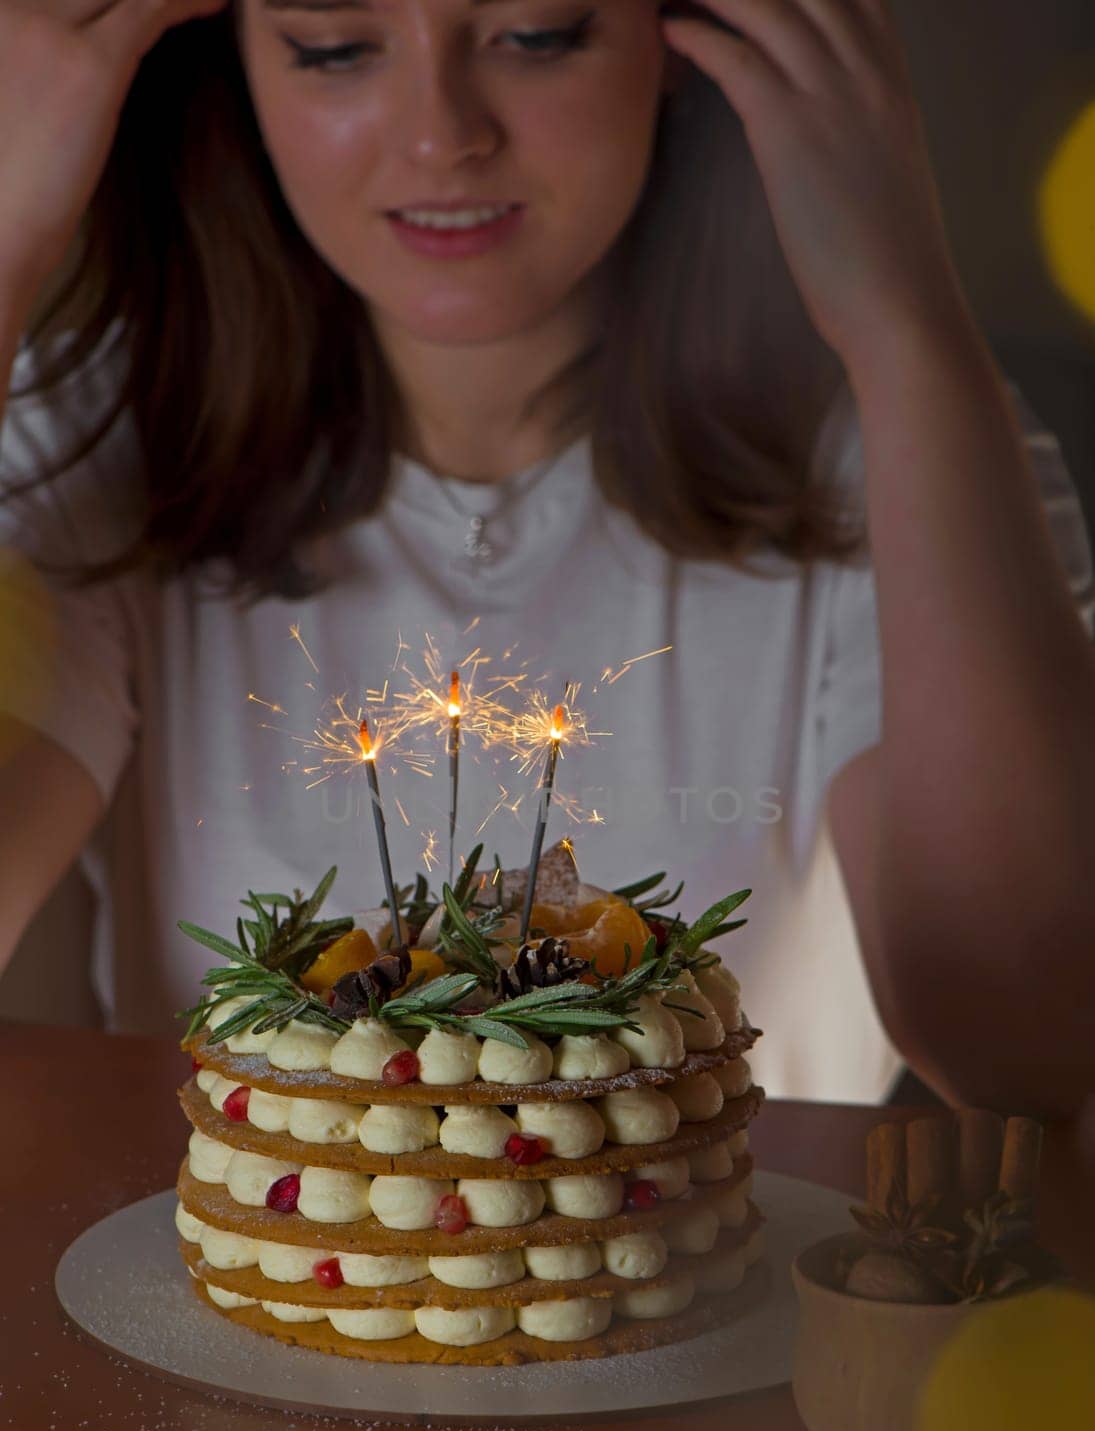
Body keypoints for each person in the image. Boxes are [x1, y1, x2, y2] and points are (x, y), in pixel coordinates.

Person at [0, 0, 1092, 1119]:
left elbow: (1029, 1041)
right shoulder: (95, 452)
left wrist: (904, 323)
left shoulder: (901, 453)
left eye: (535, 33)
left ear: (677, 38)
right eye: (333, 47)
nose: (443, 134)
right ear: (232, 61)